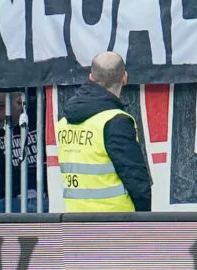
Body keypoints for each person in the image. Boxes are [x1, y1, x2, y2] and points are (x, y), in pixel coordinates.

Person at [56, 51, 152, 212]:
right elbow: (136, 178)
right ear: (125, 77)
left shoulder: (65, 121)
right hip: (115, 222)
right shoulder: (116, 121)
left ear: (91, 78)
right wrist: (143, 218)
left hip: (75, 219)